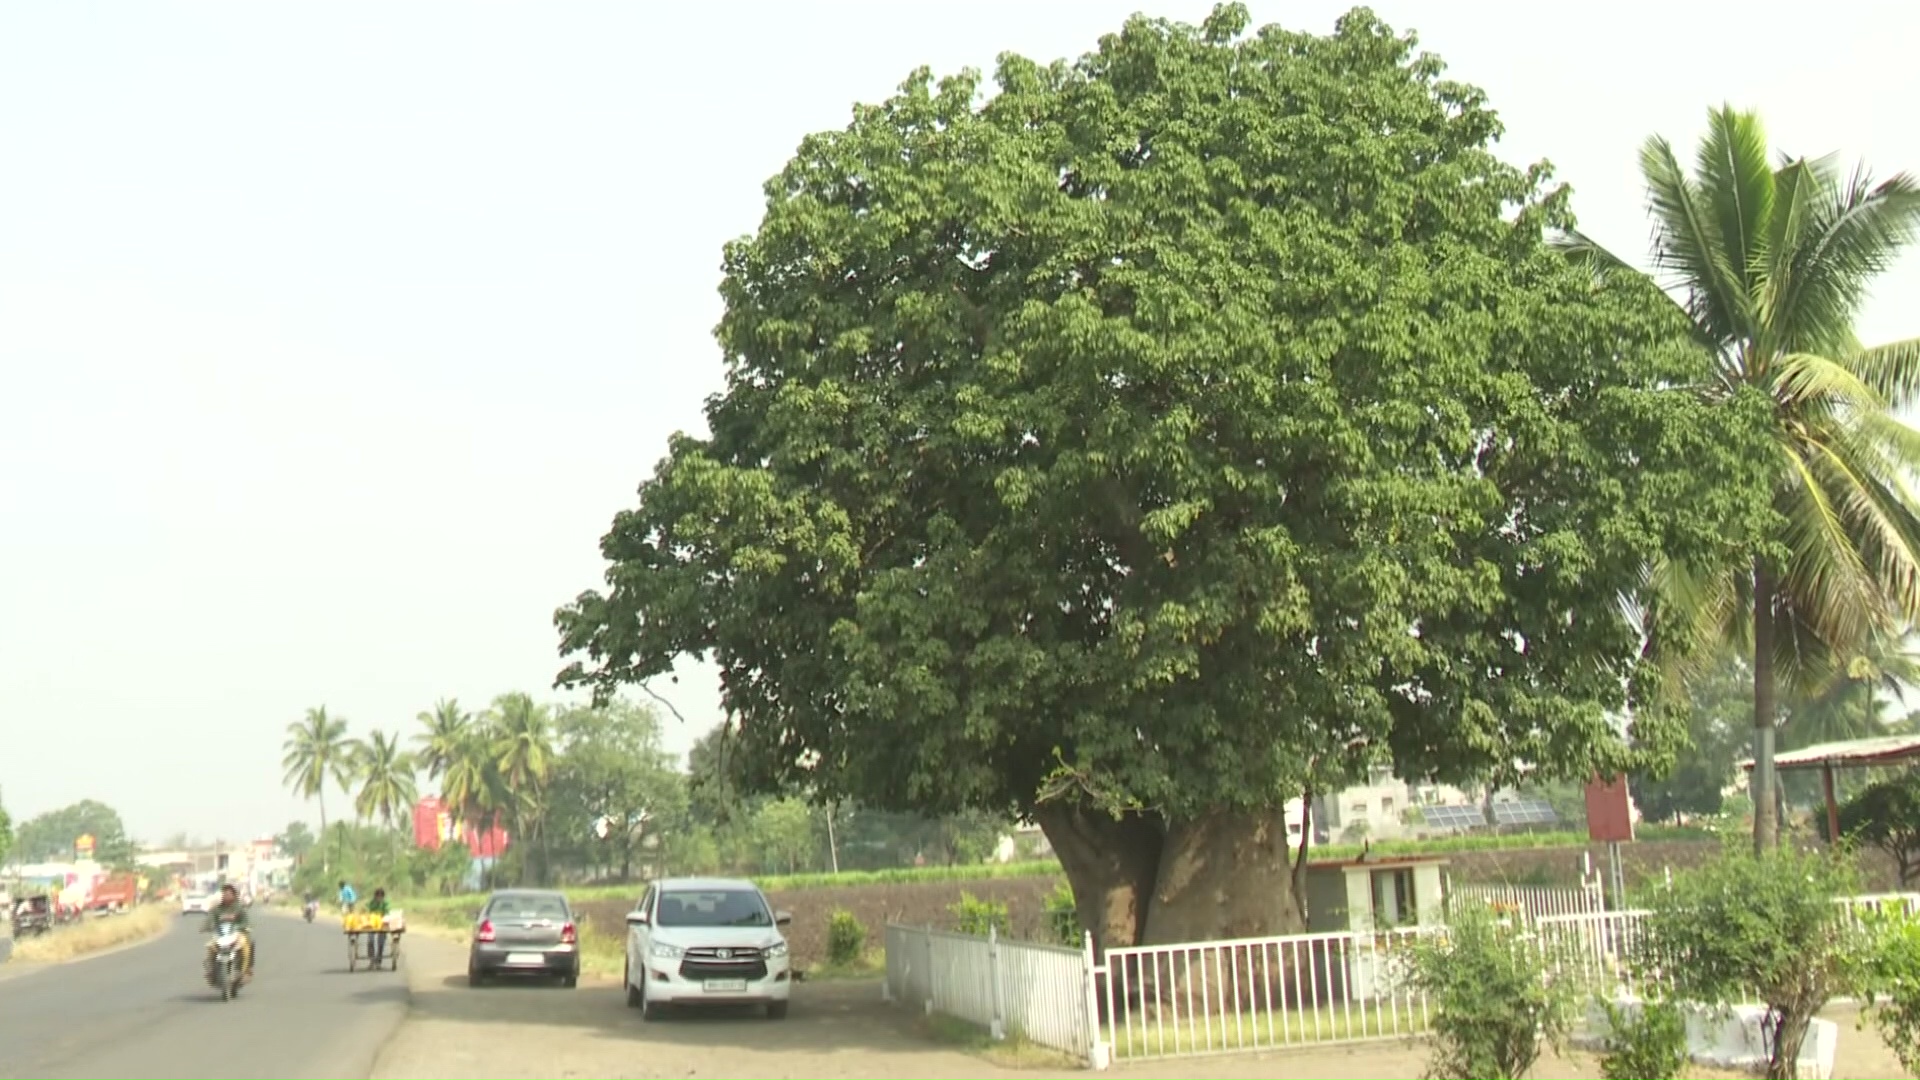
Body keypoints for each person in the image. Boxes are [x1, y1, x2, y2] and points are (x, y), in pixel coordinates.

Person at [203, 883, 254, 982]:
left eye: (229, 894)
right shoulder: (217, 909)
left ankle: (244, 971)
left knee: (245, 948)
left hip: (237, 934)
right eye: (224, 894)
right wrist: (206, 927)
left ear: (234, 895)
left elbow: (246, 922)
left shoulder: (239, 908)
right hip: (221, 935)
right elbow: (210, 919)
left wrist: (241, 927)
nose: (226, 896)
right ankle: (211, 970)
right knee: (211, 947)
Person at [365, 887, 392, 965]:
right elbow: (369, 911)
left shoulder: (385, 903)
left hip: (382, 924)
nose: (379, 898)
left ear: (383, 897)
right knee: (370, 940)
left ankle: (379, 958)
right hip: (373, 924)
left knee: (381, 941)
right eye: (378, 896)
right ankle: (372, 958)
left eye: (381, 896)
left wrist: (383, 917)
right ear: (375, 896)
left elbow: (387, 912)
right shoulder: (372, 903)